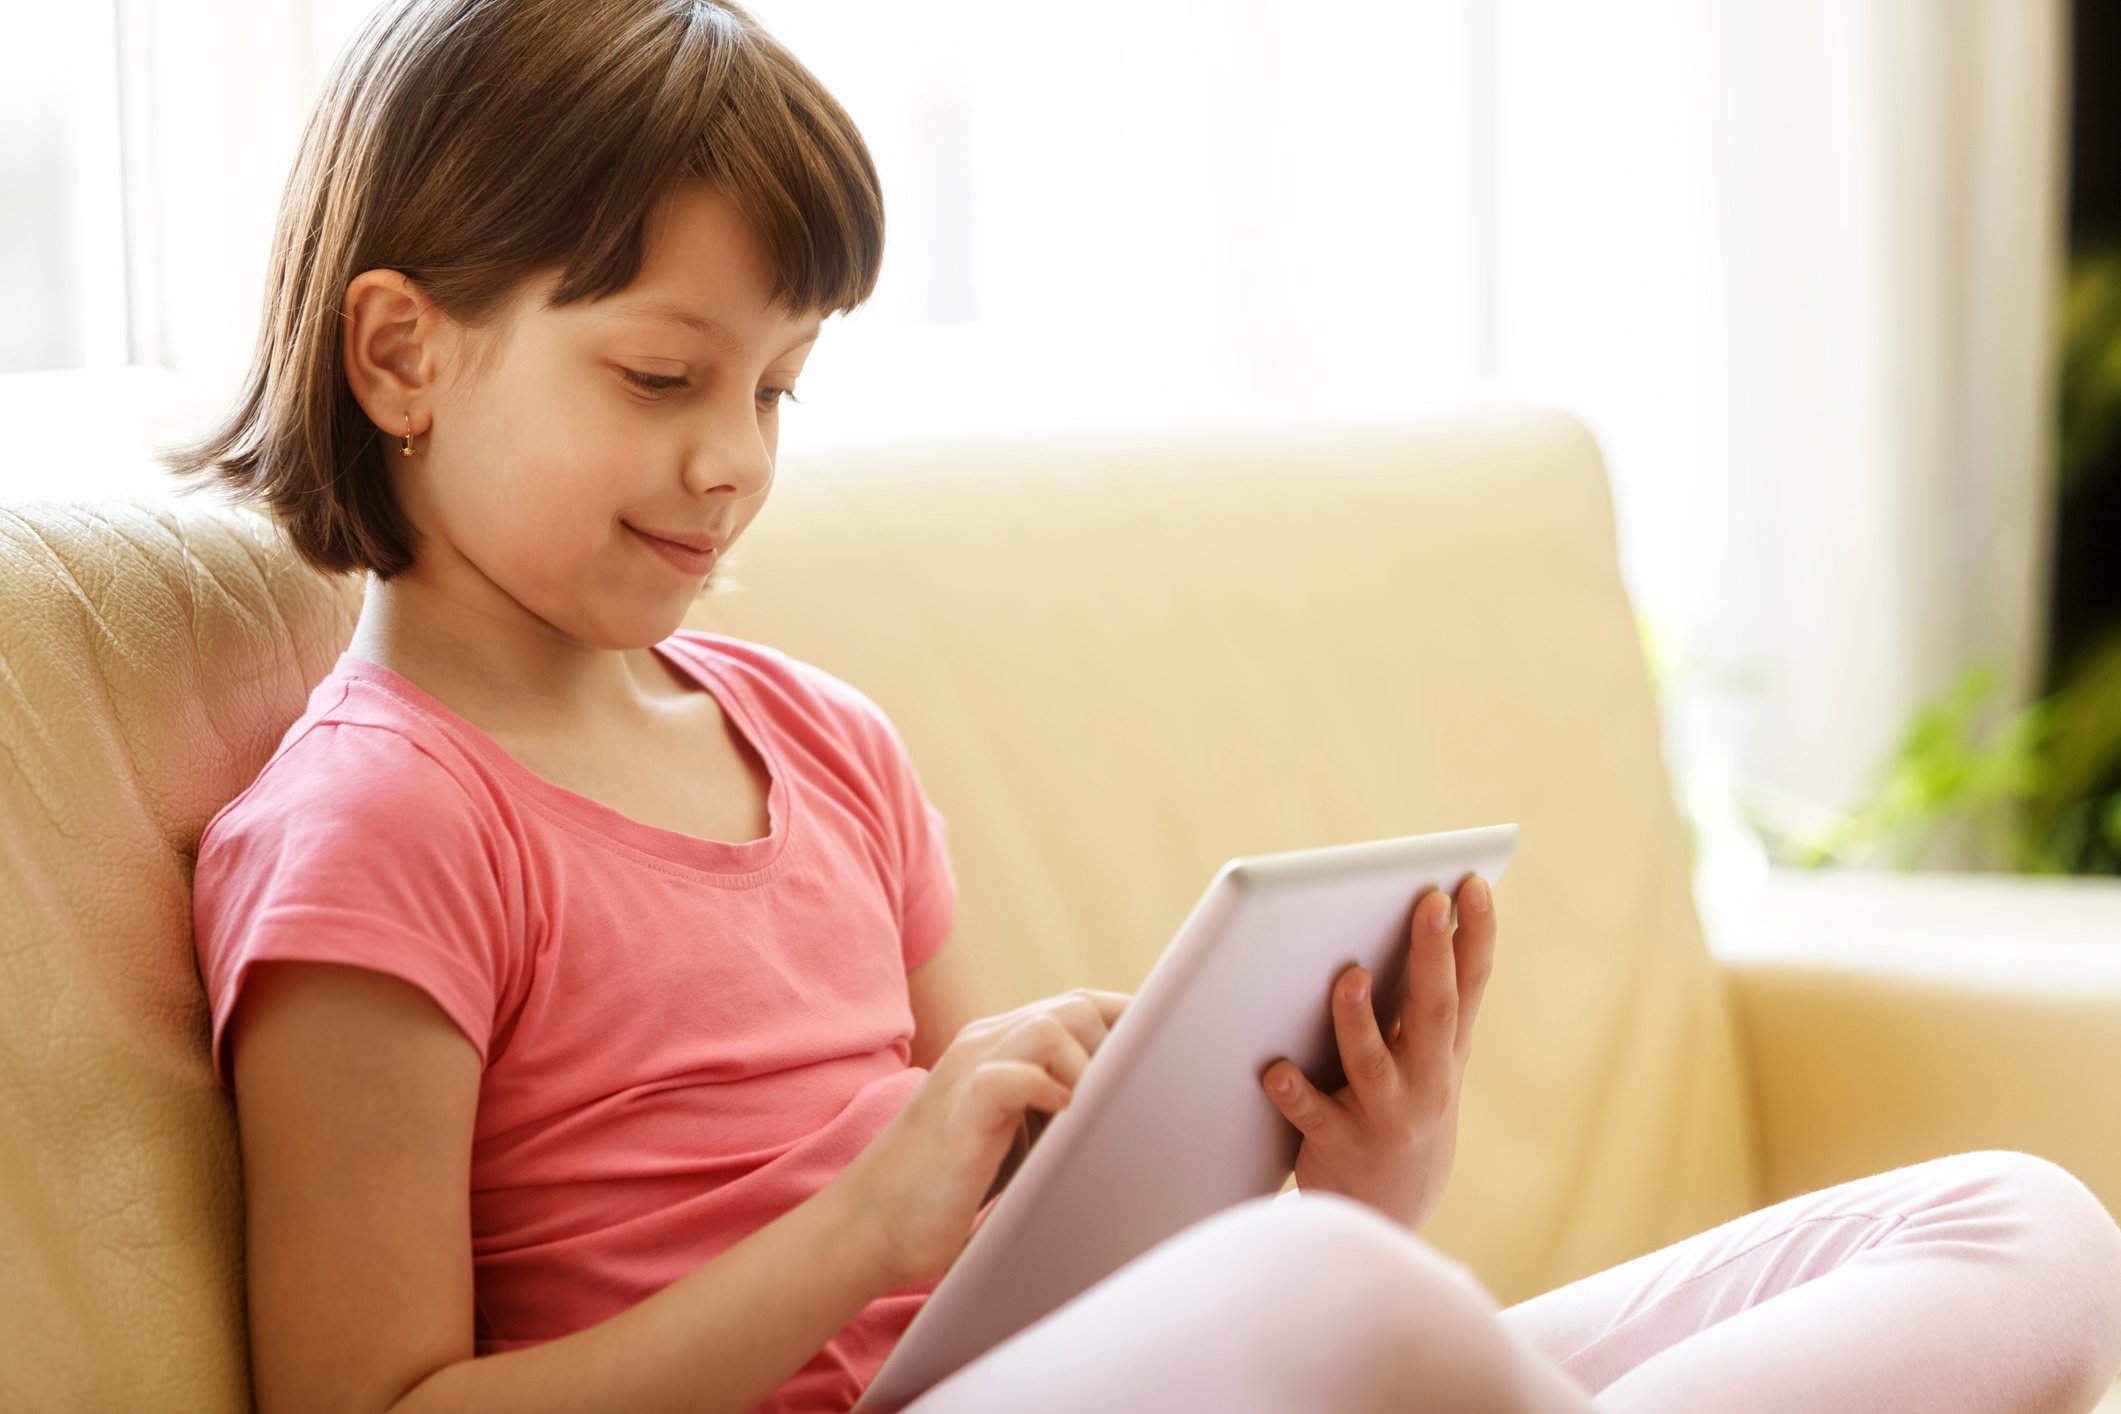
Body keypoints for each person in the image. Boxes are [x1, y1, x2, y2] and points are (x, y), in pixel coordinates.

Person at [167, 2, 2121, 1412]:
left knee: (2012, 1221)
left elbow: (1016, 1271)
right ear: (403, 353)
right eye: (662, 375)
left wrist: (1351, 1184)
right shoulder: (379, 826)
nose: (729, 464)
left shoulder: (821, 744)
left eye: (775, 388)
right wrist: (864, 1225)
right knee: (1344, 1318)